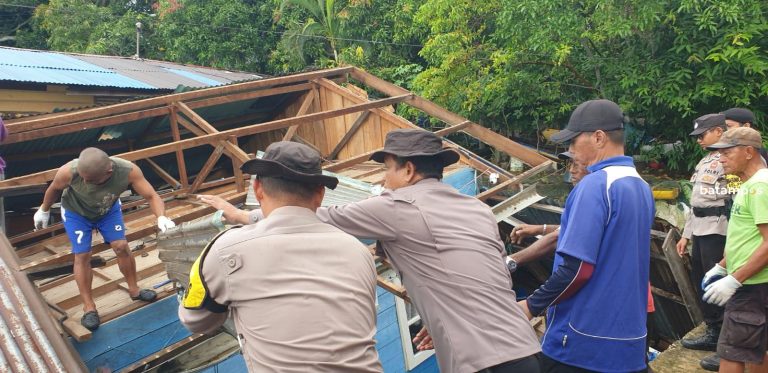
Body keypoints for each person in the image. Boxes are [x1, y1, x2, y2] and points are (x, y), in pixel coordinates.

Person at [199, 129, 542, 373]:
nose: (383, 181)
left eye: (386, 169)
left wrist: (244, 215)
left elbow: (317, 216)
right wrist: (441, 317)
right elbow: (478, 276)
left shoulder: (397, 206)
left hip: (482, 362)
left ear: (408, 170)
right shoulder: (477, 210)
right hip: (524, 347)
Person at [178, 142, 382, 372]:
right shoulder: (357, 251)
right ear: (320, 194)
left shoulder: (225, 250)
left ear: (258, 189)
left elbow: (195, 321)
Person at [518, 99, 655, 372]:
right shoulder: (641, 186)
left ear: (599, 137)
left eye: (572, 142)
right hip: (628, 339)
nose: (570, 150)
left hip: (582, 341)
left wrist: (531, 306)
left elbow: (577, 268)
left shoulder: (595, 185)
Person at [33, 148, 176, 330]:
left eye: (91, 180)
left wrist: (161, 217)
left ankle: (134, 289)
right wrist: (44, 210)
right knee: (82, 255)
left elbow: (151, 195)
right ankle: (89, 307)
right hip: (76, 213)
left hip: (107, 210)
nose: (85, 182)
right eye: (83, 178)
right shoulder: (69, 171)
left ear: (108, 172)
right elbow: (54, 188)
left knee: (121, 246)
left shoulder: (128, 171)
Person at [701, 127, 768, 373]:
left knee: (730, 351)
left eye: (727, 153)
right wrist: (722, 265)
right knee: (755, 350)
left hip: (751, 286)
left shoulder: (760, 187)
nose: (721, 159)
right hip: (753, 283)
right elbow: (747, 237)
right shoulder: (751, 185)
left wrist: (735, 280)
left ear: (749, 152)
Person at [674, 114, 729, 364]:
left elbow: (733, 201)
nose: (698, 140)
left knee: (717, 282)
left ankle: (724, 336)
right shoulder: (705, 160)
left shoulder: (729, 160)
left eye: (702, 135)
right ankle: (713, 329)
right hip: (700, 229)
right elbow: (697, 203)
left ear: (719, 131)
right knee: (701, 279)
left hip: (719, 231)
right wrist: (686, 235)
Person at [506, 151, 587, 272]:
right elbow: (570, 229)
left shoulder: (592, 198)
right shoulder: (580, 194)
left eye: (576, 165)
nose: (570, 170)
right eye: (570, 164)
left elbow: (557, 238)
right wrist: (540, 229)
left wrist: (509, 261)